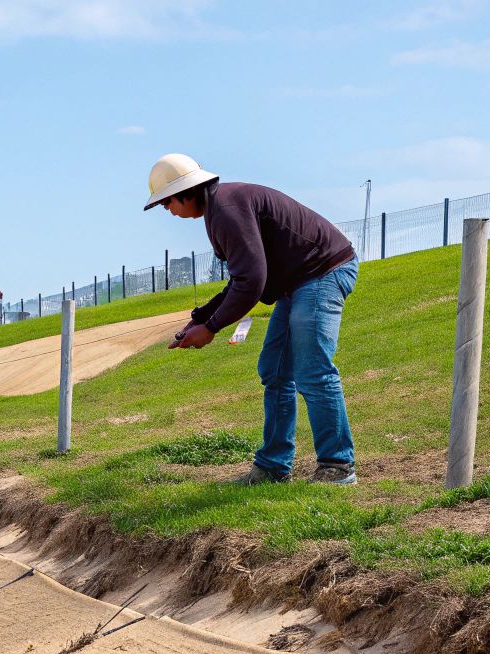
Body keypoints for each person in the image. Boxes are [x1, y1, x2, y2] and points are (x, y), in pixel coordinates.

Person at [144, 153, 361, 485]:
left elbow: (251, 283)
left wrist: (212, 328)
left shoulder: (227, 210)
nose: (168, 211)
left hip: (323, 271)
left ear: (185, 191)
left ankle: (338, 466)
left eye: (167, 203)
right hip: (297, 282)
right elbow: (241, 279)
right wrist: (198, 319)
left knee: (313, 369)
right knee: (274, 370)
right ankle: (273, 467)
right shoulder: (220, 209)